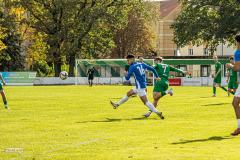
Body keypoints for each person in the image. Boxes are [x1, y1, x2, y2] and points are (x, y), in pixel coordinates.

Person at [110, 54, 164, 119]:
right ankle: (117, 105)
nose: (128, 62)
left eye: (128, 60)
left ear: (132, 59)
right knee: (128, 94)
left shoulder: (132, 67)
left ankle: (157, 112)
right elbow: (152, 69)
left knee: (146, 102)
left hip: (139, 87)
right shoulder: (142, 64)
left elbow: (127, 78)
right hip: (142, 85)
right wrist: (157, 77)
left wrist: (125, 75)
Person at [225, 33, 240, 135]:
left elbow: (237, 67)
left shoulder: (238, 53)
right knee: (235, 103)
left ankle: (239, 127)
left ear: (238, 42)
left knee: (235, 103)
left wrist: (229, 65)